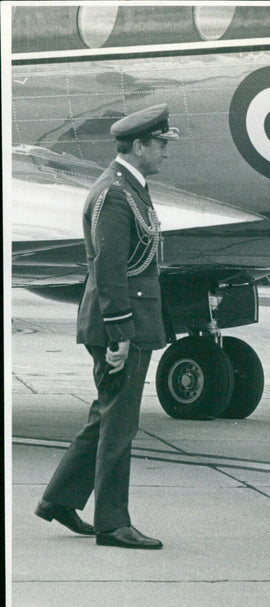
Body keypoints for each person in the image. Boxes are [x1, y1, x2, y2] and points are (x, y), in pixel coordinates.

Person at [35, 104, 179, 549]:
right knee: (120, 424)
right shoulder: (115, 194)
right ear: (138, 146)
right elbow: (109, 268)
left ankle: (59, 500)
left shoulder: (130, 187)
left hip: (129, 320)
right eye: (159, 144)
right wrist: (119, 335)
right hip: (121, 324)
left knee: (107, 416)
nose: (164, 152)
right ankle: (112, 523)